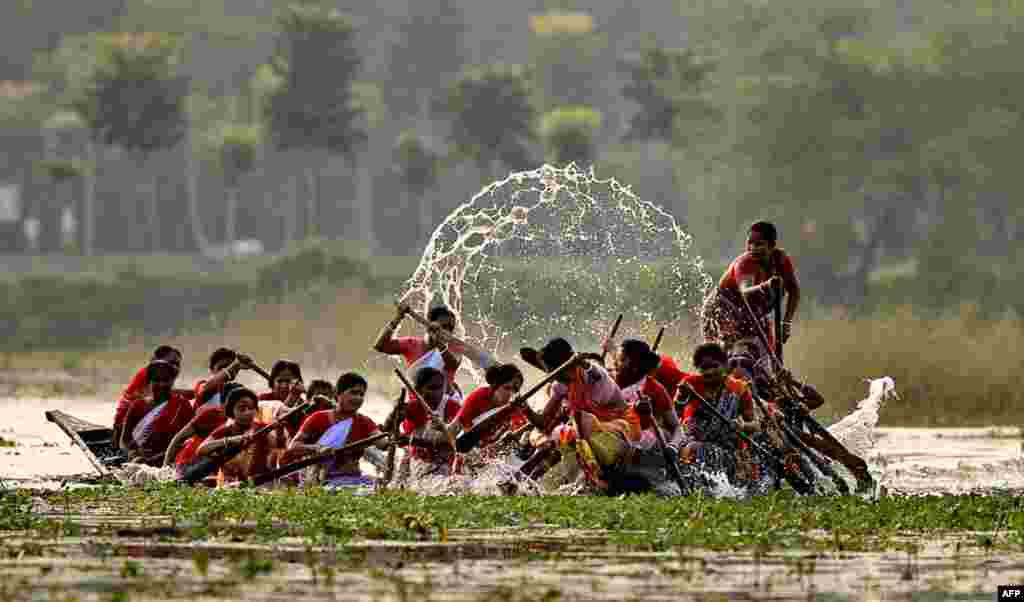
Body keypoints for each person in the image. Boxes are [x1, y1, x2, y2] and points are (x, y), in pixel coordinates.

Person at [702, 221, 801, 359]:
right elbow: (745, 292)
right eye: (750, 243)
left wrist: (786, 323)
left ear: (772, 246)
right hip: (722, 309)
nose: (752, 248)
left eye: (759, 244)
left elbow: (794, 290)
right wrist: (765, 286)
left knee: (768, 358)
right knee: (731, 356)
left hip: (751, 312)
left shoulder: (781, 260)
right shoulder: (744, 263)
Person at [677, 342, 761, 485]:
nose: (709, 372)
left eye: (714, 366)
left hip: (729, 450)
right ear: (698, 369)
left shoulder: (739, 389)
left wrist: (742, 426)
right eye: (704, 368)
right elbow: (674, 416)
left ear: (724, 366)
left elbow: (756, 426)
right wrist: (681, 397)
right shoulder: (690, 384)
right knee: (693, 449)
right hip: (693, 446)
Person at [285, 373, 387, 488]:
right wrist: (318, 449)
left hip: (354, 478)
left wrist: (396, 437)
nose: (358, 398)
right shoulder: (318, 418)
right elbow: (293, 447)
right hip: (320, 481)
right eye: (353, 392)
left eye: (361, 394)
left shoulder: (365, 422)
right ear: (338, 394)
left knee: (381, 486)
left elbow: (382, 442)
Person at [120, 360, 195, 465]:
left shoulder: (182, 405)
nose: (161, 384)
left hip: (170, 461)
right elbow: (124, 441)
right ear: (149, 382)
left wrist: (162, 457)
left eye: (166, 380)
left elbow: (191, 440)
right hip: (141, 462)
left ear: (172, 381)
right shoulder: (137, 406)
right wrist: (133, 454)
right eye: (157, 380)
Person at [196, 387, 275, 486]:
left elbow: (276, 452)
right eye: (242, 408)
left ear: (256, 410)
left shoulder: (263, 429)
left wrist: (277, 432)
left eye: (251, 408)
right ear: (231, 411)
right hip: (228, 486)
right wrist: (231, 440)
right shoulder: (225, 431)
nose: (247, 412)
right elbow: (201, 450)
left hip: (257, 484)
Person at [112, 345, 188, 445]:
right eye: (171, 362)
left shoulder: (154, 374)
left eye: (177, 364)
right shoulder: (149, 373)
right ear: (157, 361)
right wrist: (195, 393)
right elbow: (158, 396)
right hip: (127, 425)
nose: (175, 367)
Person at [400, 364, 463, 479]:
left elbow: (447, 440)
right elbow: (389, 429)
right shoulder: (411, 407)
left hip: (445, 459)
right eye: (432, 388)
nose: (437, 393)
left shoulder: (453, 407)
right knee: (406, 456)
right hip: (418, 459)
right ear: (418, 390)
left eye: (440, 388)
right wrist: (393, 415)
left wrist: (411, 440)